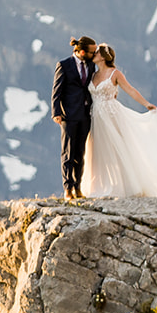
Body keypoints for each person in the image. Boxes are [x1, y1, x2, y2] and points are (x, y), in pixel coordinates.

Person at [81, 44, 157, 198]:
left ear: (103, 56)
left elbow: (131, 90)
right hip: (96, 117)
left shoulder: (115, 73)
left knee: (118, 148)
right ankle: (102, 185)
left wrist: (146, 104)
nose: (93, 54)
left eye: (96, 53)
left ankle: (124, 186)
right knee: (99, 150)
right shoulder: (93, 75)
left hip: (111, 116)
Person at [51, 35, 97, 199]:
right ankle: (68, 188)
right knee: (67, 153)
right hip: (68, 115)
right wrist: (56, 112)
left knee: (80, 152)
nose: (95, 54)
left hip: (85, 115)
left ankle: (78, 187)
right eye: (93, 52)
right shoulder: (64, 65)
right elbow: (56, 91)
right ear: (83, 51)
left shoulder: (91, 65)